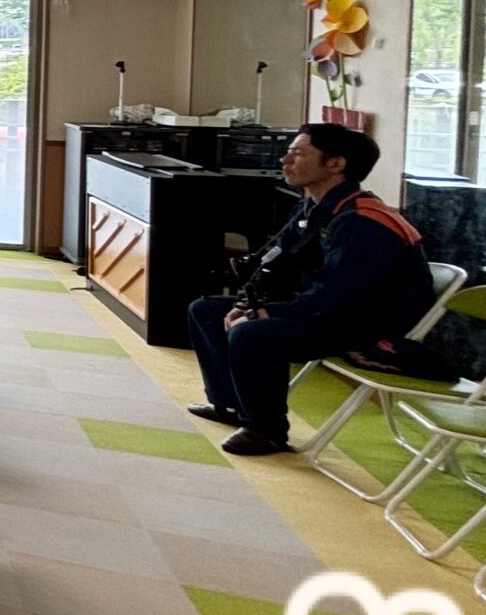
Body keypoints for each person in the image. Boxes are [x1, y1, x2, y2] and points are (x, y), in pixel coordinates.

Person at [187, 123, 439, 456]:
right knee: (206, 311)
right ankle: (230, 405)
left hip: (365, 325)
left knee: (253, 333)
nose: (285, 161)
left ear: (336, 164)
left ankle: (266, 431)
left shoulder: (364, 221)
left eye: (297, 153)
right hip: (324, 310)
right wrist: (249, 302)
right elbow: (274, 262)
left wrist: (264, 313)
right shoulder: (312, 208)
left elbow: (338, 296)